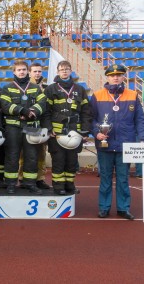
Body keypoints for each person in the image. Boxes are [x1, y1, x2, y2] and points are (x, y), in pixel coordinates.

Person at [90, 64, 144, 220]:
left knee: (123, 179)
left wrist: (143, 138)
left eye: (119, 75)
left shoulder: (133, 95)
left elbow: (140, 119)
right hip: (105, 145)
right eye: (112, 75)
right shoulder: (97, 95)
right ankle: (104, 207)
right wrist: (96, 133)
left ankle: (123, 208)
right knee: (105, 178)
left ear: (124, 77)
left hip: (125, 144)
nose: (115, 77)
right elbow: (91, 119)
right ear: (107, 77)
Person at [42, 61, 92, 195]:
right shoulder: (50, 89)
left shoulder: (79, 89)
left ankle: (70, 185)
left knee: (72, 161)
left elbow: (86, 111)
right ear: (57, 71)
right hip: (56, 133)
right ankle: (58, 187)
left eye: (67, 69)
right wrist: (48, 128)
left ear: (71, 71)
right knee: (58, 160)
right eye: (62, 69)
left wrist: (86, 130)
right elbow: (46, 111)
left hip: (75, 131)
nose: (64, 71)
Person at [0, 61, 47, 195]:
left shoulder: (35, 87)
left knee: (32, 156)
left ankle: (29, 183)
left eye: (24, 69)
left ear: (28, 71)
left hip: (32, 126)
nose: (21, 72)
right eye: (19, 70)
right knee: (12, 156)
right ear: (14, 72)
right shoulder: (7, 88)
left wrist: (32, 112)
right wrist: (22, 111)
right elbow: (5, 105)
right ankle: (10, 183)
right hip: (13, 127)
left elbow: (42, 102)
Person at [22, 62, 50, 190]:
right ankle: (22, 178)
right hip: (27, 123)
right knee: (24, 153)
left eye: (39, 71)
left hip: (41, 124)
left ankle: (40, 178)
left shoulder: (47, 87)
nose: (37, 73)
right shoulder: (24, 87)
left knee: (41, 153)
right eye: (35, 71)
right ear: (29, 72)